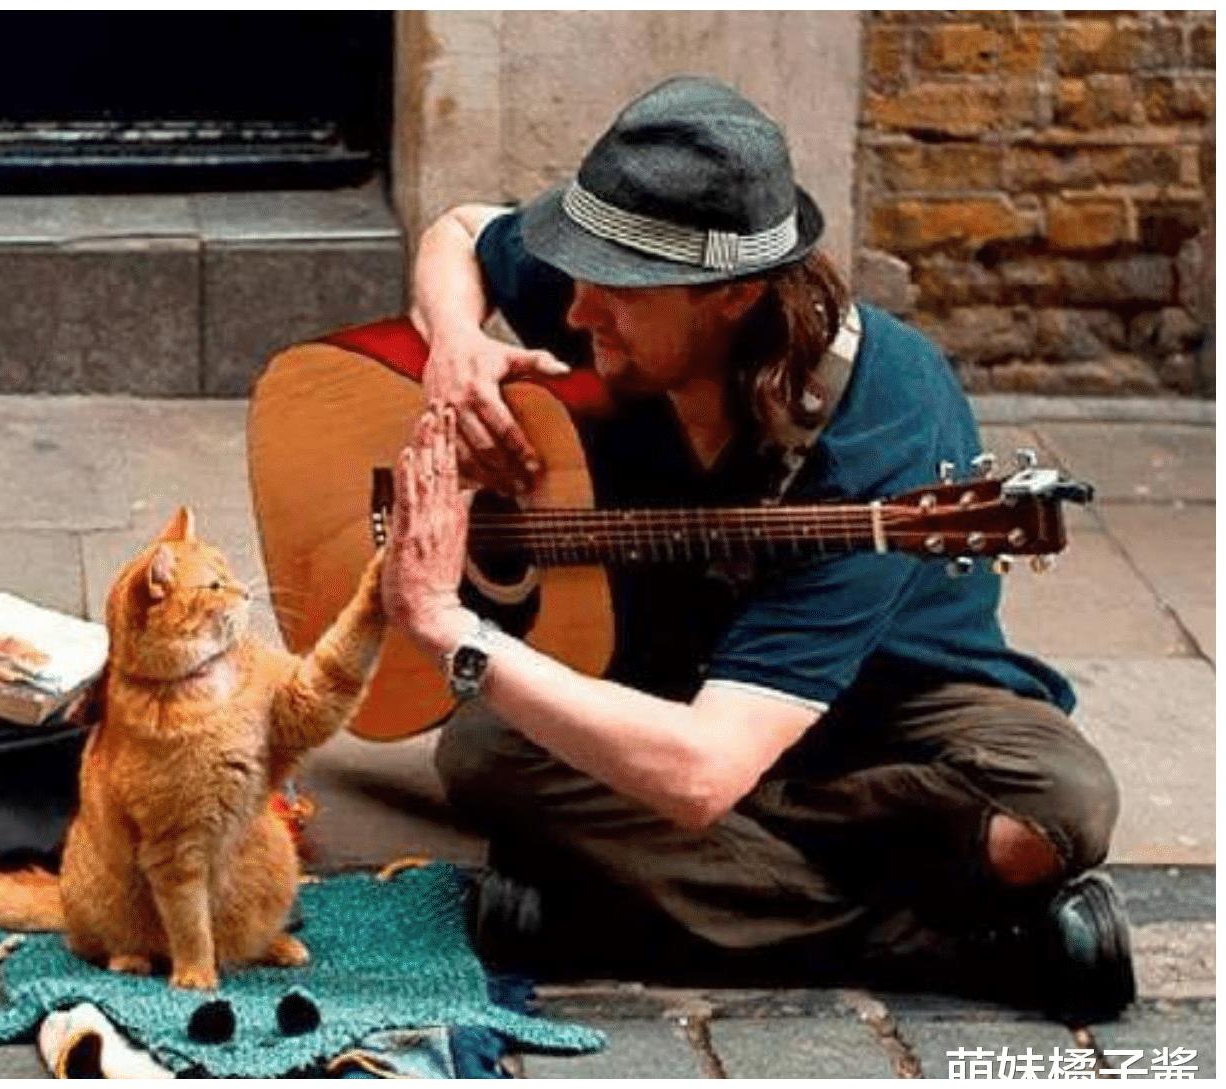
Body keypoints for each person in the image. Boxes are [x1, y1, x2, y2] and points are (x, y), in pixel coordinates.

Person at [376, 76, 1133, 1024]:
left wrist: (447, 625)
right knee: (490, 747)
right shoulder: (614, 277)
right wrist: (452, 344)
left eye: (615, 291)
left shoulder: (881, 429)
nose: (576, 314)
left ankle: (618, 903)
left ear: (733, 293)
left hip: (885, 702)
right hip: (663, 675)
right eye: (578, 273)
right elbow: (457, 230)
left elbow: (701, 775)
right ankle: (954, 940)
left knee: (1054, 807)